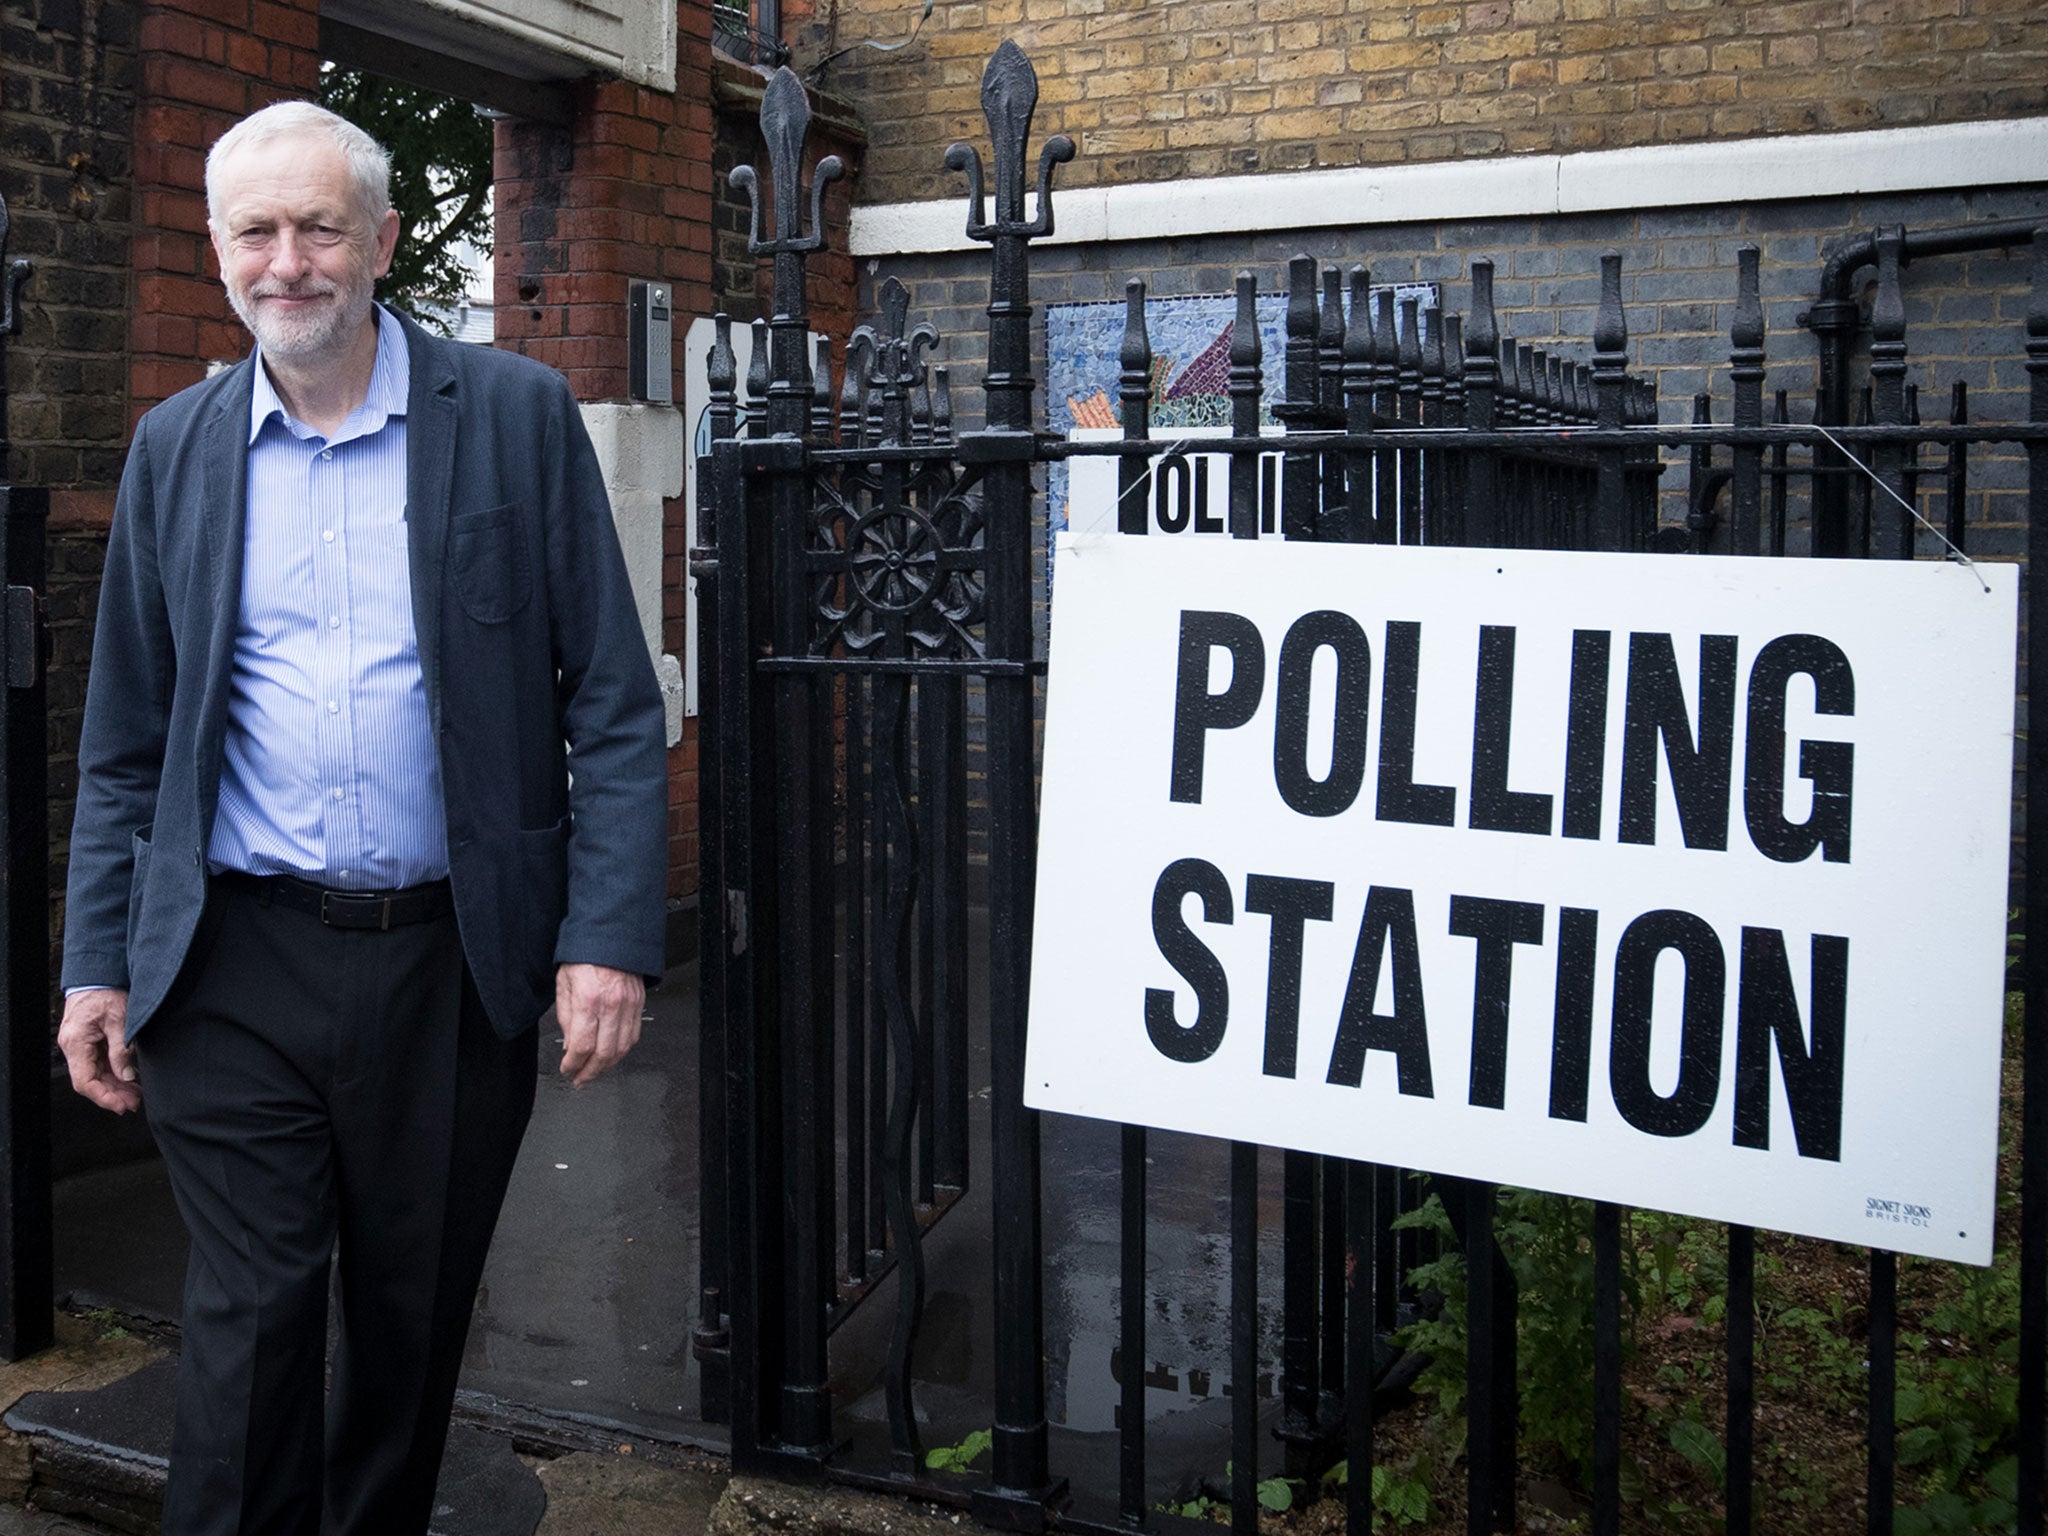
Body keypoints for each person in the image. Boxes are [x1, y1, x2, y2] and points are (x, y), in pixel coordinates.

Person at [55, 100, 668, 1533]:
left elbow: (614, 705)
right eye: (257, 233)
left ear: (382, 241)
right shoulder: (175, 448)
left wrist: (608, 938)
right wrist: (97, 958)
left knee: (409, 1317)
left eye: (320, 227)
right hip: (232, 960)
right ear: (218, 253)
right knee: (256, 1312)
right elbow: (126, 739)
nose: (290, 263)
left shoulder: (512, 419)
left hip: (449, 964)